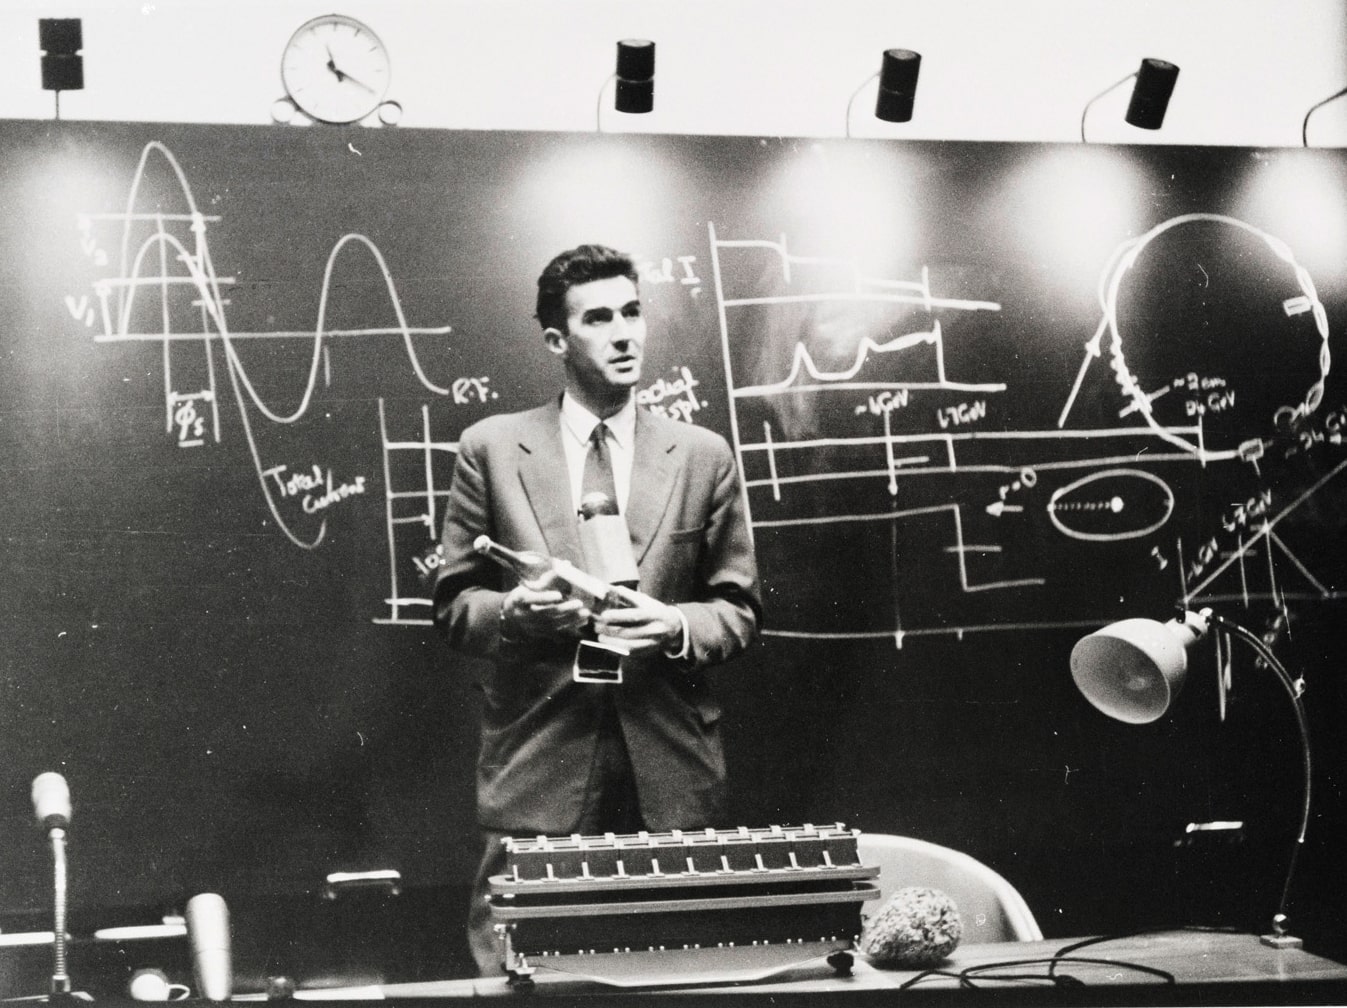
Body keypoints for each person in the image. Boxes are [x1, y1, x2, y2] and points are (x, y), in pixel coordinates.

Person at [433, 243, 762, 975]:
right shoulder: (490, 450)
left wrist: (674, 626)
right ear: (557, 340)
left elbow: (738, 609)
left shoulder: (701, 455)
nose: (624, 333)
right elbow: (455, 608)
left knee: (684, 974)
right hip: (538, 769)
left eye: (633, 312)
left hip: (671, 770)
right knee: (521, 979)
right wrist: (518, 613)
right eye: (599, 318)